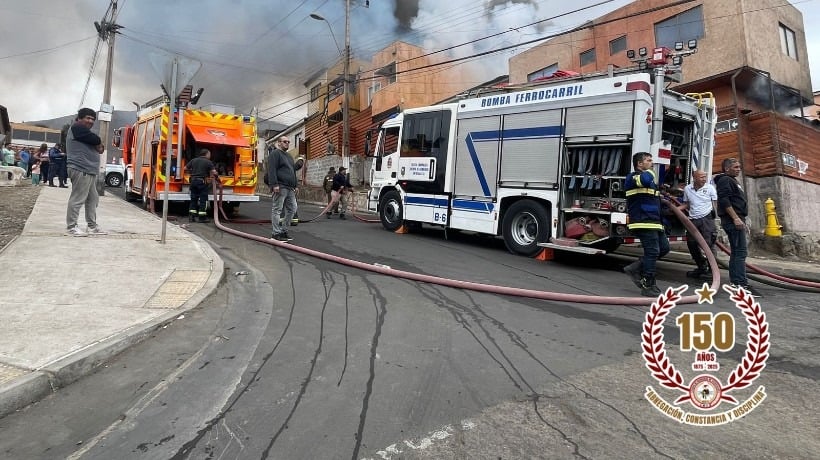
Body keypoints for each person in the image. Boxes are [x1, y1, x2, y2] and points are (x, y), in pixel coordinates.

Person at [623, 152, 669, 296]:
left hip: (655, 221)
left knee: (664, 248)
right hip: (642, 221)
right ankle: (648, 284)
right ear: (639, 164)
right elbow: (645, 179)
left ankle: (635, 268)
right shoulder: (633, 177)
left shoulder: (648, 178)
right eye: (648, 160)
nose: (651, 163)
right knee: (652, 251)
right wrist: (652, 170)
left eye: (651, 160)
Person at [714, 158, 755, 293]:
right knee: (740, 252)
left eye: (739, 167)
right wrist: (736, 218)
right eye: (736, 167)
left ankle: (737, 282)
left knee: (738, 252)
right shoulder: (725, 180)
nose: (739, 169)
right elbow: (725, 200)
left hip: (737, 220)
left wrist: (741, 219)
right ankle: (739, 283)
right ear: (727, 168)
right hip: (732, 221)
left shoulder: (732, 180)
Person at [65, 107, 105, 237]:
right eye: (87, 118)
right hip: (80, 168)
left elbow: (100, 148)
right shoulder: (77, 128)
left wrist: (97, 143)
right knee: (78, 198)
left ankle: (92, 226)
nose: (90, 121)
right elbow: (96, 141)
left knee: (93, 198)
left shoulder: (85, 133)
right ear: (79, 118)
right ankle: (71, 226)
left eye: (93, 119)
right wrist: (97, 141)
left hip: (88, 170)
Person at [678, 170, 718, 280]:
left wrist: (715, 217)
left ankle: (712, 271)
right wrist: (675, 209)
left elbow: (715, 202)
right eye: (701, 177)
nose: (704, 179)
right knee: (692, 244)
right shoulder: (687, 189)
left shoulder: (710, 188)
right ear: (694, 178)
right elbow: (687, 204)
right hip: (693, 220)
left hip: (706, 219)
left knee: (708, 244)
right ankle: (701, 267)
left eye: (705, 177)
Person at [267, 136, 301, 241]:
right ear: (279, 143)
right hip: (280, 186)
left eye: (288, 142)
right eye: (285, 142)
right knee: (277, 209)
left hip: (290, 188)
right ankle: (275, 233)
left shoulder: (289, 156)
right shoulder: (275, 154)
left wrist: (295, 185)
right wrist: (274, 184)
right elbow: (271, 169)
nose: (287, 143)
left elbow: (292, 171)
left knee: (293, 209)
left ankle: (283, 231)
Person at [185, 148, 219, 223]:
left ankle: (191, 217)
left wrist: (193, 172)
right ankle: (202, 217)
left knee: (193, 199)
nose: (210, 156)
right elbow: (214, 172)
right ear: (206, 154)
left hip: (193, 182)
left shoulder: (193, 160)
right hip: (202, 183)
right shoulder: (208, 162)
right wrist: (217, 177)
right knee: (203, 200)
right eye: (209, 154)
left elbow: (185, 168)